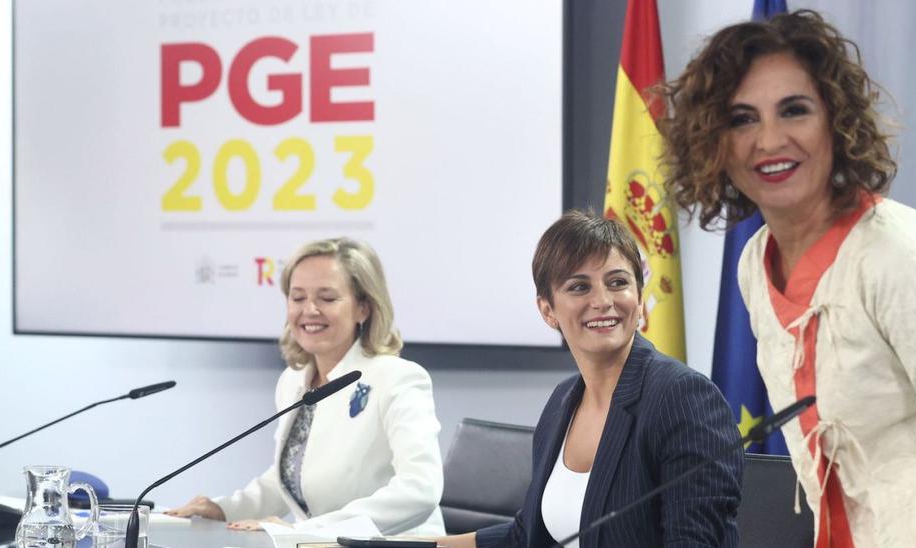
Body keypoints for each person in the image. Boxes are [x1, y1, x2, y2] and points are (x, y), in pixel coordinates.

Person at [658, 10, 916, 548]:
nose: (769, 139)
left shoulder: (897, 251)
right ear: (714, 142)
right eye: (741, 119)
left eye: (794, 110)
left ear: (835, 120)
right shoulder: (754, 264)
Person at [440, 212, 742, 548]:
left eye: (618, 282)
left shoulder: (683, 397)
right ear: (547, 310)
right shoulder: (562, 401)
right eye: (579, 287)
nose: (602, 301)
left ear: (640, 299)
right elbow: (526, 536)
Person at [167, 238, 446, 535]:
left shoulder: (398, 378)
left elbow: (420, 489)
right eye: (297, 298)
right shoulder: (293, 380)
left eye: (327, 298)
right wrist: (223, 510)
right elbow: (290, 477)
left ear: (363, 307)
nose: (310, 310)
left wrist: (310, 530)